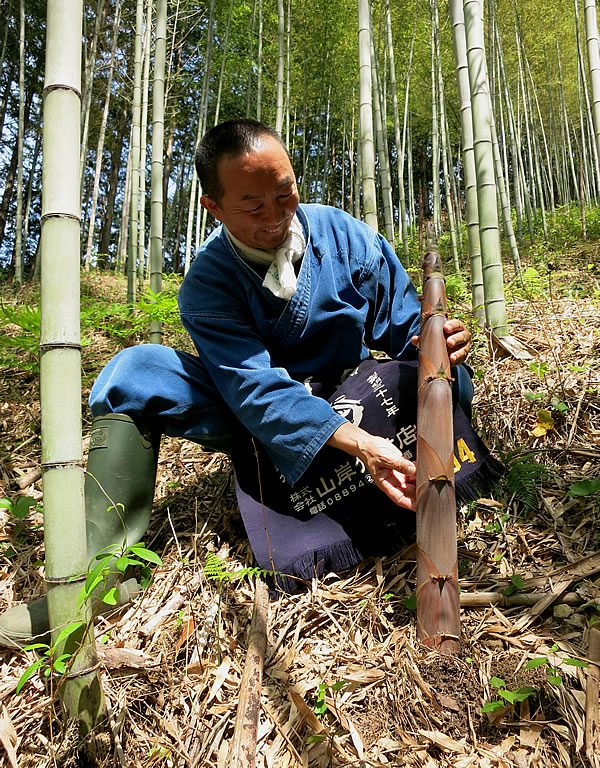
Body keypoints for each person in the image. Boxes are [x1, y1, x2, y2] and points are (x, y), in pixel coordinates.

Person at [0, 119, 472, 646]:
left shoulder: (342, 233)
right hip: (261, 416)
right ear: (214, 207)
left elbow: (405, 324)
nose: (275, 216)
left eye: (285, 192)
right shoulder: (208, 280)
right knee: (133, 373)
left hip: (357, 393)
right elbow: (253, 388)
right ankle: (104, 573)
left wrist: (435, 341)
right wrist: (356, 443)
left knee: (440, 382)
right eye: (253, 205)